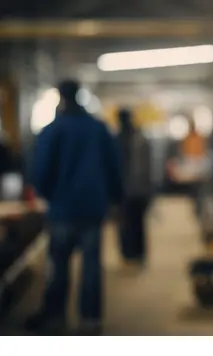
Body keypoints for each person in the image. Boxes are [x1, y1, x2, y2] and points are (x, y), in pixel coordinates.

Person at [27, 79, 122, 335]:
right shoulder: (98, 129)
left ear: (60, 97)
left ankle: (56, 316)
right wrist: (114, 198)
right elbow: (114, 166)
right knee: (91, 264)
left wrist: (48, 195)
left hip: (62, 209)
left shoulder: (53, 130)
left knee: (58, 265)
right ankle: (90, 320)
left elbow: (41, 170)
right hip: (93, 207)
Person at [116, 108, 154, 267]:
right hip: (136, 189)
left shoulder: (118, 139)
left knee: (128, 224)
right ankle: (135, 253)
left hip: (128, 190)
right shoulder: (139, 138)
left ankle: (132, 253)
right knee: (135, 223)